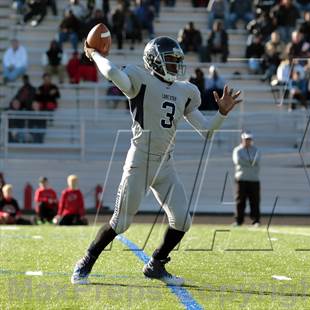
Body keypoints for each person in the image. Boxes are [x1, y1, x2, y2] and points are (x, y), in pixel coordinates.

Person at [71, 36, 241, 286]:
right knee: (120, 222)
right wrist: (95, 54)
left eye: (178, 61)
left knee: (182, 220)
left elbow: (206, 131)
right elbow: (113, 73)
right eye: (171, 61)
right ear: (155, 61)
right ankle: (87, 260)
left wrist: (222, 114)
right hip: (139, 159)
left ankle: (156, 264)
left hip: (165, 163)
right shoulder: (140, 78)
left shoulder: (185, 91)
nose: (176, 66)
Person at [232, 131, 261, 227]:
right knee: (240, 201)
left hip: (254, 179)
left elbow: (256, 161)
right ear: (242, 140)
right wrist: (250, 161)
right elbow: (238, 161)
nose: (248, 141)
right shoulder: (237, 150)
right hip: (241, 179)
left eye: (249, 139)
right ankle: (238, 221)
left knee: (255, 201)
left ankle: (256, 220)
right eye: (246, 139)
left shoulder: (256, 150)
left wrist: (246, 160)